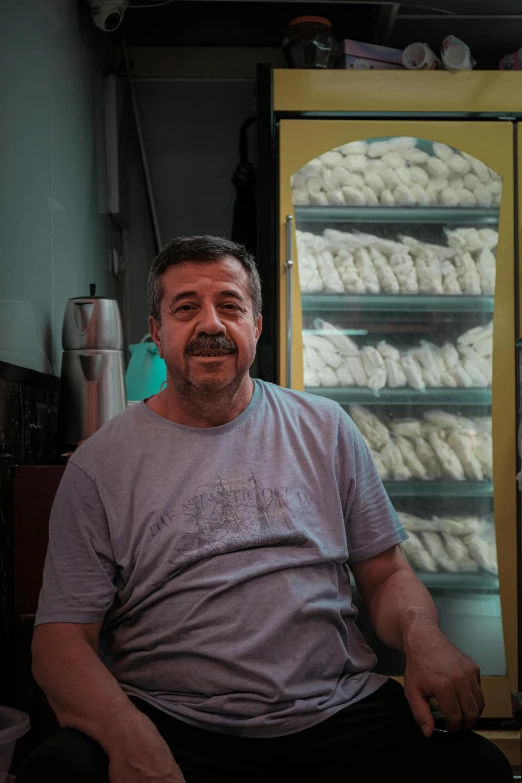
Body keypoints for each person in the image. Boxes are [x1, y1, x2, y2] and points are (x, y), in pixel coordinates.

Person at [18, 236, 511, 783]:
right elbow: (60, 641)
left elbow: (387, 574)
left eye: (230, 306)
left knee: (479, 770)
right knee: (56, 772)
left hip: (336, 712)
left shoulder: (325, 429)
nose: (211, 324)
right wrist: (130, 737)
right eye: (186, 308)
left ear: (256, 325)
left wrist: (425, 637)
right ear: (157, 333)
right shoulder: (99, 465)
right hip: (172, 721)